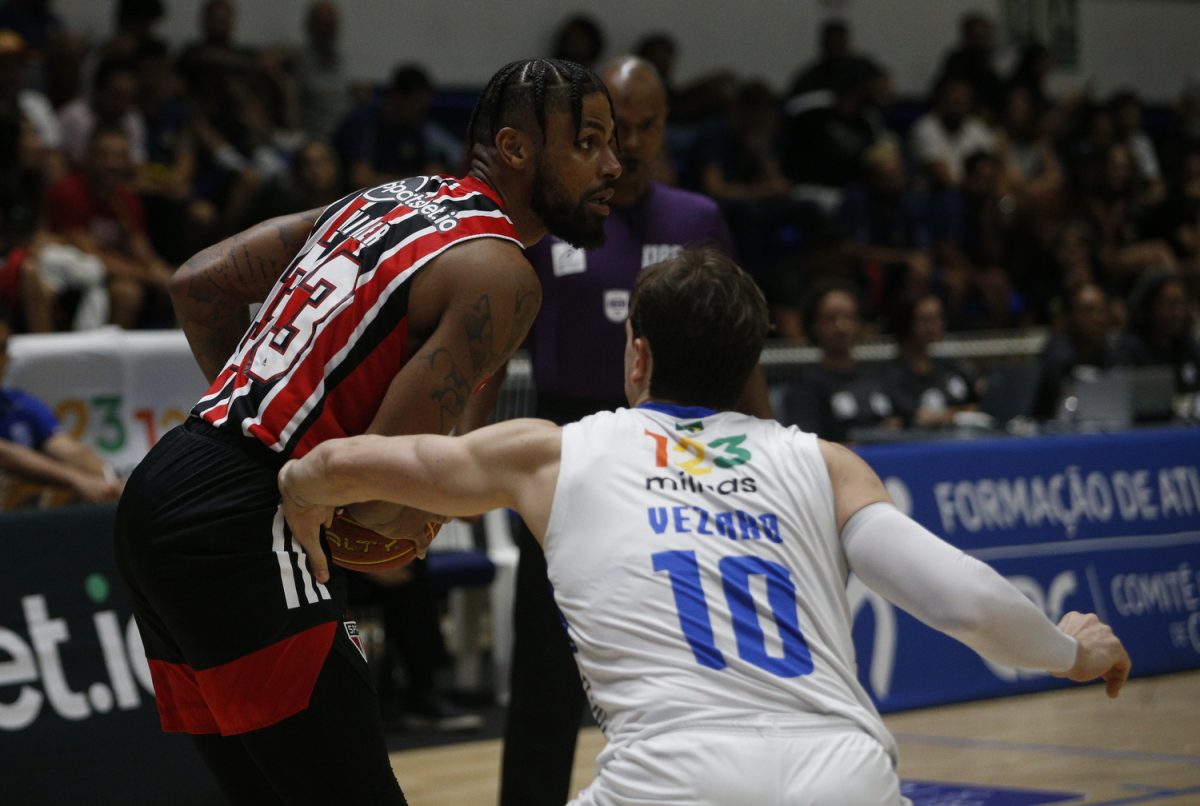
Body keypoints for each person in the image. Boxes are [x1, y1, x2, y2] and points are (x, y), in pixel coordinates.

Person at [278, 247, 1132, 805]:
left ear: (638, 356)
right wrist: (1071, 650)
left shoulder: (551, 453)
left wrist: (305, 487)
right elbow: (965, 599)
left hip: (672, 779)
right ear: (749, 364)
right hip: (843, 776)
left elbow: (378, 462)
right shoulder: (827, 463)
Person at [113, 58, 620, 805]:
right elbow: (377, 497)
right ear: (515, 148)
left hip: (165, 485)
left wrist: (262, 412)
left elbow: (197, 283)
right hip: (249, 521)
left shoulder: (383, 199)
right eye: (588, 141)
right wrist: (416, 516)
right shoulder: (500, 273)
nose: (612, 165)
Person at [455, 55, 740, 806]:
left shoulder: (699, 222)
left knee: (684, 668)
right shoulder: (555, 220)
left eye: (648, 126)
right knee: (546, 674)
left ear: (667, 125)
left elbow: (740, 354)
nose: (634, 143)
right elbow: (493, 352)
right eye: (620, 129)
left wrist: (766, 453)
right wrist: (460, 463)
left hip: (676, 459)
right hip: (566, 456)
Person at [0, 304, 124, 507]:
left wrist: (113, 483)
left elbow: (68, 449)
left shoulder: (18, 404)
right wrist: (77, 480)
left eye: (2, 348)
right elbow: (6, 455)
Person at [779, 282, 900, 443]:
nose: (841, 327)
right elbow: (808, 445)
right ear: (814, 325)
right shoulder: (804, 388)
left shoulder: (880, 378)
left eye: (849, 317)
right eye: (830, 319)